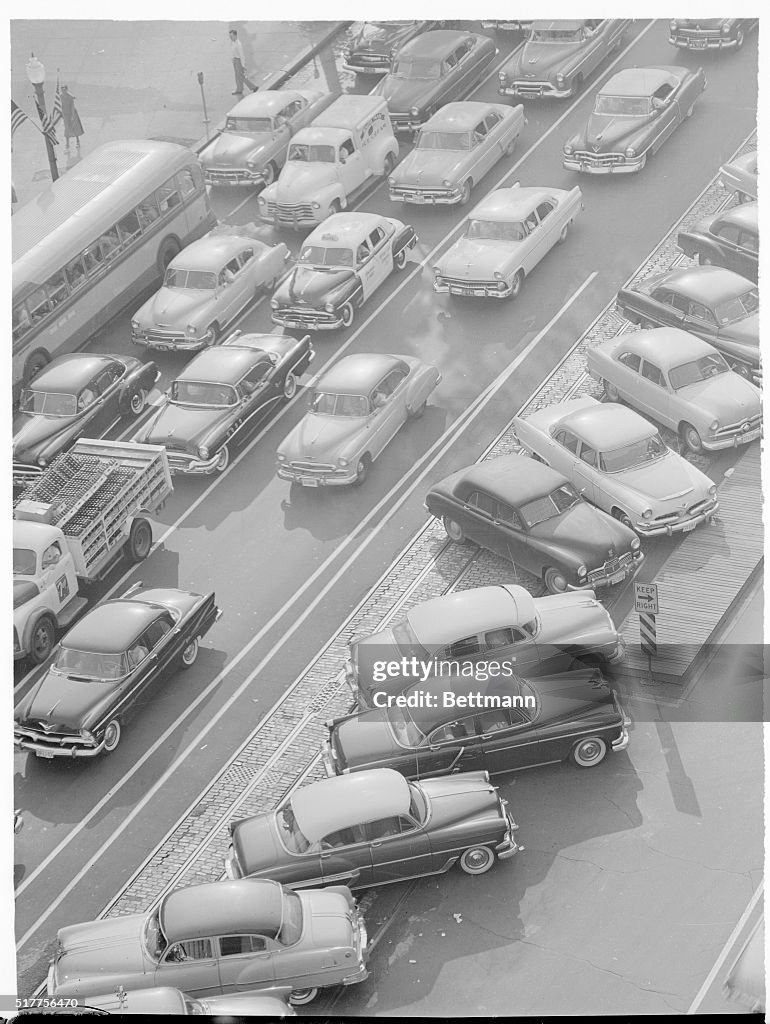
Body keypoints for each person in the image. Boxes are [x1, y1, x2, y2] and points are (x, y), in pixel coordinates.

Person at [229, 29, 256, 96]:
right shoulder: (233, 42)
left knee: (241, 76)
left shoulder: (238, 44)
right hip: (235, 60)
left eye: (232, 36)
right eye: (230, 36)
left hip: (238, 61)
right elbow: (233, 51)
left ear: (235, 35)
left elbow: (242, 55)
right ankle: (239, 89)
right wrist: (233, 59)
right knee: (237, 76)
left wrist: (243, 65)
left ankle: (253, 87)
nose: (230, 38)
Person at [60, 85, 84, 151]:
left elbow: (72, 107)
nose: (63, 91)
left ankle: (78, 142)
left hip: (72, 114)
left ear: (66, 90)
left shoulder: (70, 97)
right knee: (67, 129)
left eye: (64, 90)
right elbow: (61, 106)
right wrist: (62, 114)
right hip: (65, 114)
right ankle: (67, 144)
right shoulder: (61, 96)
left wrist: (72, 116)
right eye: (62, 90)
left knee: (75, 128)